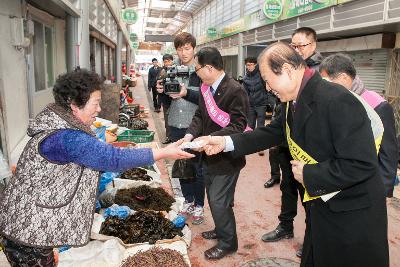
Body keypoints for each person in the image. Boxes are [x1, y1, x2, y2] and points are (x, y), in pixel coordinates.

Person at [197, 42, 389, 267]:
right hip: (322, 207)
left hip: (351, 214)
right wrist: (225, 142)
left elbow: (361, 164)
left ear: (287, 70)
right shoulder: (294, 100)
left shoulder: (337, 99)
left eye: (268, 80)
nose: (268, 88)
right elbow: (272, 132)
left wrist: (309, 173)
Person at [0, 68, 193, 266]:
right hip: (28, 229)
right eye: (96, 103)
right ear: (75, 105)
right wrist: (163, 152)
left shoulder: (62, 125)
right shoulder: (67, 137)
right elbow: (112, 158)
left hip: (32, 224)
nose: (99, 109)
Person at [262, 27, 323, 258]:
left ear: (313, 46)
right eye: (293, 46)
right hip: (286, 140)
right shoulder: (284, 72)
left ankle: (312, 237)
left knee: (310, 196)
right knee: (287, 187)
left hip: (309, 151)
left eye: (301, 46)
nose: (297, 50)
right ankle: (285, 226)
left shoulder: (320, 74)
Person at [186, 47, 249, 260]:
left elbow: (239, 126)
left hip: (226, 158)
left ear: (209, 68)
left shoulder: (235, 89)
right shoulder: (206, 88)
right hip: (207, 155)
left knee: (219, 200)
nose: (196, 73)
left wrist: (211, 139)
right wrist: (189, 135)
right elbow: (199, 117)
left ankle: (228, 243)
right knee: (215, 198)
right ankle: (222, 230)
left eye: (197, 69)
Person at [319, 53, 398, 197]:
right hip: (341, 178)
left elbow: (388, 153)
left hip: (367, 182)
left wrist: (384, 191)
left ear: (343, 78)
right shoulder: (333, 101)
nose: (324, 87)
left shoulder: (377, 105)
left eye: (327, 81)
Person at [156, 32, 205, 225]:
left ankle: (200, 204)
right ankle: (189, 202)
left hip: (196, 125)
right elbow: (167, 100)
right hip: (176, 124)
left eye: (187, 48)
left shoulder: (201, 70)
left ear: (193, 48)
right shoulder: (170, 70)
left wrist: (185, 92)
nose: (183, 52)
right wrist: (162, 92)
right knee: (183, 167)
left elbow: (206, 98)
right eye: (180, 48)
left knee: (198, 169)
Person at [242, 57, 270, 157]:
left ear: (255, 64)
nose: (249, 67)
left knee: (261, 126)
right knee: (250, 125)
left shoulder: (261, 75)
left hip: (261, 103)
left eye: (250, 65)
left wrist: (267, 99)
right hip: (251, 105)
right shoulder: (245, 78)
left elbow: (267, 87)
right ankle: (250, 145)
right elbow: (245, 93)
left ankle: (261, 147)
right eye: (247, 65)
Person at [158, 54, 174, 144]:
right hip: (166, 99)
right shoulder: (162, 71)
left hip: (177, 100)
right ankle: (168, 137)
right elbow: (158, 83)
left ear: (172, 61)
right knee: (167, 119)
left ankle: (176, 137)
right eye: (165, 61)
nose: (167, 63)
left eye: (168, 61)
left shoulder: (178, 70)